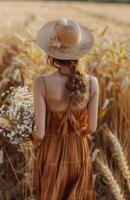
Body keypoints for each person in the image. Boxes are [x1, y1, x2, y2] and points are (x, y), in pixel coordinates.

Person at [32, 18, 99, 200]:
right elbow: (91, 128)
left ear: (51, 52)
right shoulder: (92, 83)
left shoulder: (41, 83)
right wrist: (75, 133)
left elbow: (40, 133)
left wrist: (29, 139)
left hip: (51, 151)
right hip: (79, 151)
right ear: (79, 51)